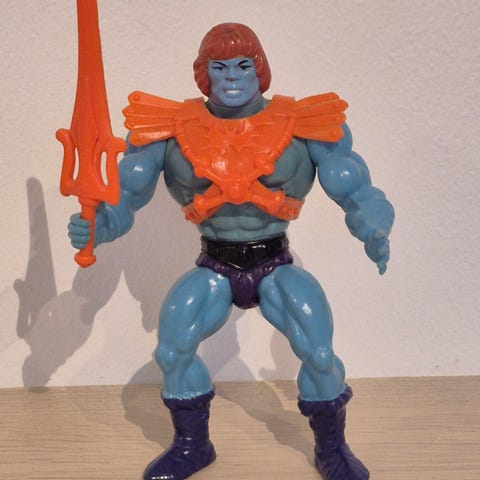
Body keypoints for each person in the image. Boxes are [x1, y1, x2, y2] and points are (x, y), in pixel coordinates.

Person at [68, 23, 394, 480]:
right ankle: (192, 446)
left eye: (243, 65)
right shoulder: (167, 131)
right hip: (215, 263)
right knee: (172, 351)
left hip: (275, 261)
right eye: (219, 68)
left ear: (260, 70)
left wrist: (373, 227)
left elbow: (357, 190)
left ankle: (332, 448)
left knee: (319, 353)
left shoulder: (305, 126)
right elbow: (126, 199)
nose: (232, 77)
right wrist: (97, 226)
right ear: (204, 74)